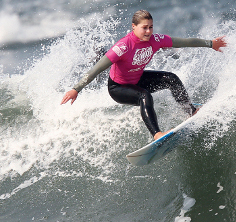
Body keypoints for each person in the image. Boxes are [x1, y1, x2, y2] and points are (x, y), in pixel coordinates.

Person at [61, 10, 226, 140]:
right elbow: (96, 69)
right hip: (118, 87)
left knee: (171, 79)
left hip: (137, 79)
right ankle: (157, 134)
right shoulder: (123, 47)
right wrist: (76, 89)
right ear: (134, 27)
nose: (148, 31)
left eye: (151, 27)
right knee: (144, 96)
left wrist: (211, 44)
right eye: (144, 27)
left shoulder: (156, 40)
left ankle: (191, 111)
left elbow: (184, 42)